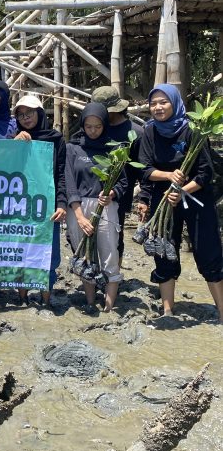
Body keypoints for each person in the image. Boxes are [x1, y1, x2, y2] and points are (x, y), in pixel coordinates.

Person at [138, 84, 223, 321]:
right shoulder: (149, 132)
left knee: (208, 252)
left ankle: (222, 312)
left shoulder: (193, 130)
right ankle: (167, 311)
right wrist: (168, 177)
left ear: (175, 103)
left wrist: (182, 191)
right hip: (163, 199)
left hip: (196, 196)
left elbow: (205, 172)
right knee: (163, 253)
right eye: (153, 103)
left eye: (163, 102)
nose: (158, 107)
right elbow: (145, 169)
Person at [65, 103, 126, 314]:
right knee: (84, 255)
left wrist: (112, 194)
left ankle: (109, 307)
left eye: (98, 127)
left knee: (110, 253)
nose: (93, 131)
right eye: (88, 126)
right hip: (78, 207)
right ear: (82, 125)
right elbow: (68, 182)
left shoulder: (114, 149)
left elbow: (123, 182)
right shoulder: (72, 148)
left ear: (105, 125)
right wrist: (79, 215)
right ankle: (90, 302)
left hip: (106, 206)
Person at [12, 95, 66, 308]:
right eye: (21, 115)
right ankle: (22, 298)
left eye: (30, 113)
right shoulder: (14, 139)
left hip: (48, 206)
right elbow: (4, 167)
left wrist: (61, 204)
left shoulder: (56, 139)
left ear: (40, 113)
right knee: (22, 251)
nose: (26, 118)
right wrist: (13, 145)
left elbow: (61, 173)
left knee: (49, 254)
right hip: (21, 206)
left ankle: (46, 299)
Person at [92, 86, 144, 263]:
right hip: (91, 192)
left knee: (115, 238)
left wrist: (144, 199)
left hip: (120, 195)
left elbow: (142, 169)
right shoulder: (95, 128)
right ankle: (92, 271)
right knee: (90, 233)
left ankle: (114, 274)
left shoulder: (136, 133)